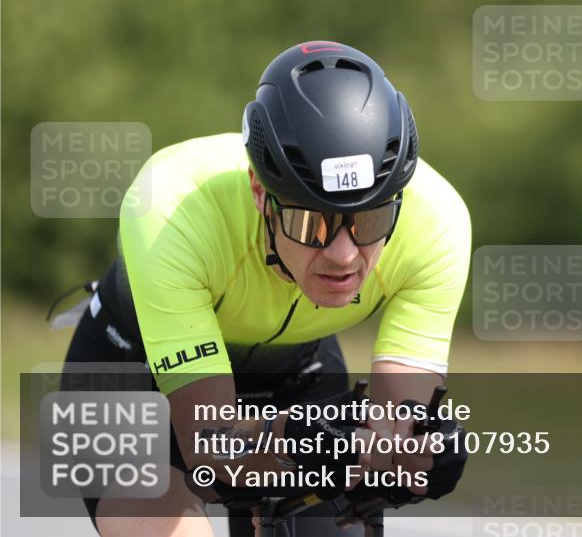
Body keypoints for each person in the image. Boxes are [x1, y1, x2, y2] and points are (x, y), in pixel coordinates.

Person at [60, 41, 472, 536]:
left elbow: (393, 429)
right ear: (261, 193)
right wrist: (305, 441)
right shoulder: (170, 207)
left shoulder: (438, 222)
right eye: (309, 222)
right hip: (132, 372)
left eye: (369, 220)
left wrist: (412, 457)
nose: (343, 255)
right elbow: (211, 456)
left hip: (297, 368)